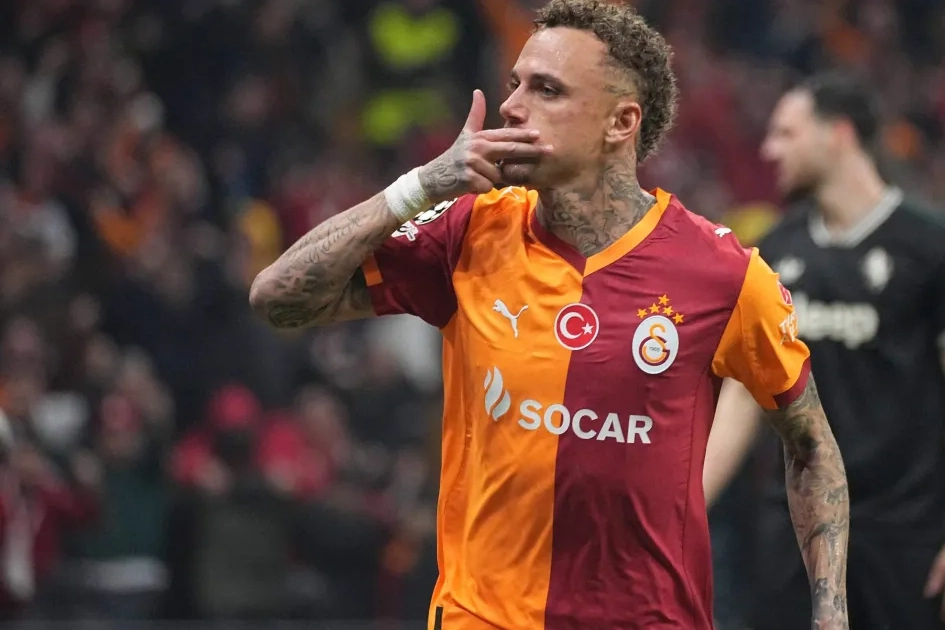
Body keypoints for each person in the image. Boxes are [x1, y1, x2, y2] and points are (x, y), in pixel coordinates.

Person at [248, 1, 850, 628]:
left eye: (547, 89)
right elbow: (277, 298)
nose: (511, 106)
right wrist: (419, 187)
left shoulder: (722, 274)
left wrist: (831, 614)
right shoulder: (469, 231)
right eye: (515, 84)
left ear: (621, 122)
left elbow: (812, 448)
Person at [704, 72, 945, 630]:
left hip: (905, 533)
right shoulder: (776, 252)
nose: (770, 150)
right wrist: (685, 509)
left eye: (787, 133)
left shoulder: (936, 245)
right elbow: (744, 396)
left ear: (838, 134)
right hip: (797, 533)